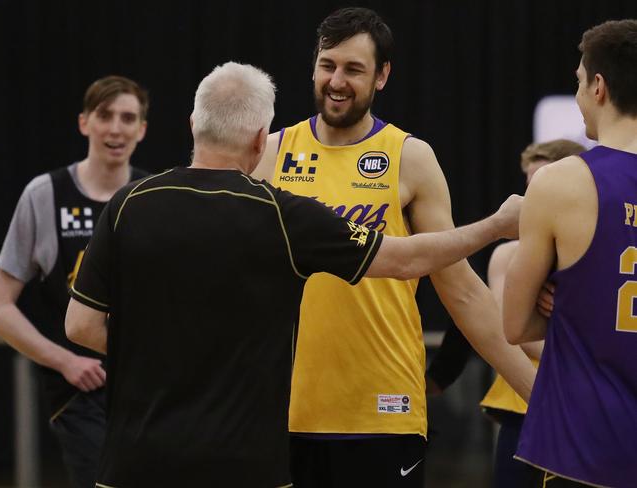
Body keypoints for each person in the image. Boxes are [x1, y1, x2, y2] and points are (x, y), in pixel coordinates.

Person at [65, 61, 522, 488]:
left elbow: (80, 326)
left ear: (192, 123)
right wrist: (496, 225)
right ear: (260, 139)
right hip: (244, 462)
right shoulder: (281, 215)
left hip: (135, 460)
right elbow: (405, 259)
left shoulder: (127, 205)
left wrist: (162, 351)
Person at [251, 7, 535, 487]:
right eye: (328, 65)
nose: (336, 81)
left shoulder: (410, 156)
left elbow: (461, 288)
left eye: (354, 69)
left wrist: (539, 393)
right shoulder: (271, 153)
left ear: (382, 76)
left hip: (383, 410)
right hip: (284, 412)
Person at [0, 75, 148, 488]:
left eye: (128, 118)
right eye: (105, 115)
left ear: (142, 129)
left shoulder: (152, 196)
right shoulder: (44, 195)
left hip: (148, 388)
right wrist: (64, 361)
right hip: (79, 390)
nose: (116, 128)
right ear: (84, 123)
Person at [504, 19, 637, 488]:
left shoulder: (560, 182)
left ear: (599, 86)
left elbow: (516, 325)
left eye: (579, 82)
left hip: (585, 449)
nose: (579, 96)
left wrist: (574, 307)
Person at [478, 139, 585, 488]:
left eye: (541, 184)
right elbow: (509, 333)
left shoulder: (595, 251)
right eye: (528, 184)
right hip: (523, 404)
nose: (531, 197)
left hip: (584, 405)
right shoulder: (508, 256)